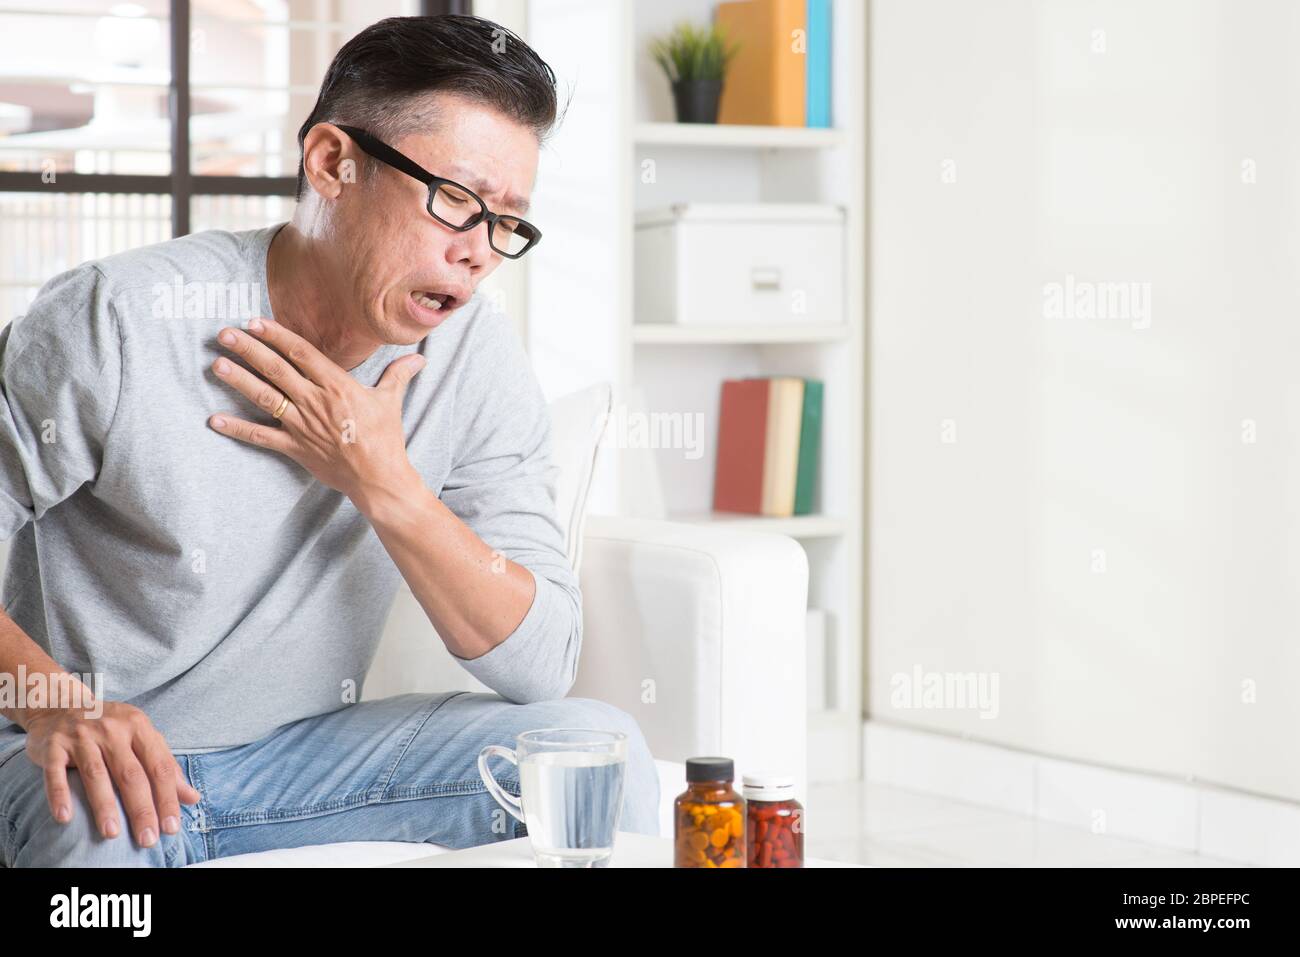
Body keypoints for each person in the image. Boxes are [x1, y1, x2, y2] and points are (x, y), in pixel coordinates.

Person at [0, 14, 658, 867]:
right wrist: (57, 704)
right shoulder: (114, 320)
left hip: (302, 756)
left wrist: (385, 482)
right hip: (96, 752)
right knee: (96, 838)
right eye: (456, 201)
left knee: (596, 744)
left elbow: (540, 666)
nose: (478, 254)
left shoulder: (474, 358)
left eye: (506, 223)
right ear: (332, 163)